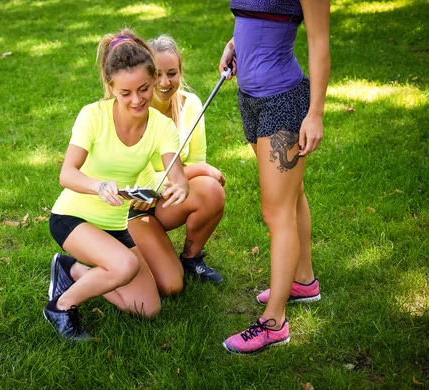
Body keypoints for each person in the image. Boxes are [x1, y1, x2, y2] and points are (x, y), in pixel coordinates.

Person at [44, 29, 190, 341]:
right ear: (111, 87)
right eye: (125, 93)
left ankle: (70, 270)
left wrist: (181, 187)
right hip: (74, 219)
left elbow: (176, 174)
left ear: (153, 80)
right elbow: (67, 174)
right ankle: (62, 306)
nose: (137, 99)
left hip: (113, 226)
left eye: (144, 89)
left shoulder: (162, 127)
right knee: (123, 265)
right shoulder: (93, 116)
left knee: (146, 308)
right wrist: (97, 185)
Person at [219, 0, 330, 354]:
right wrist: (235, 44)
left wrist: (315, 113)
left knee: (276, 212)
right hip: (249, 98)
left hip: (283, 100)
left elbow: (319, 42)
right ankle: (303, 281)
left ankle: (274, 322)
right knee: (291, 196)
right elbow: (256, 19)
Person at [126, 34, 226, 296]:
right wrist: (195, 172)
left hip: (164, 199)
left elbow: (196, 159)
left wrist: (192, 174)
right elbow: (143, 180)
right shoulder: (137, 108)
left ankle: (192, 258)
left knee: (211, 190)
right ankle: (97, 262)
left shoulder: (190, 104)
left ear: (180, 72)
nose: (164, 82)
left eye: (172, 73)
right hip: (133, 206)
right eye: (157, 74)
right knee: (171, 286)